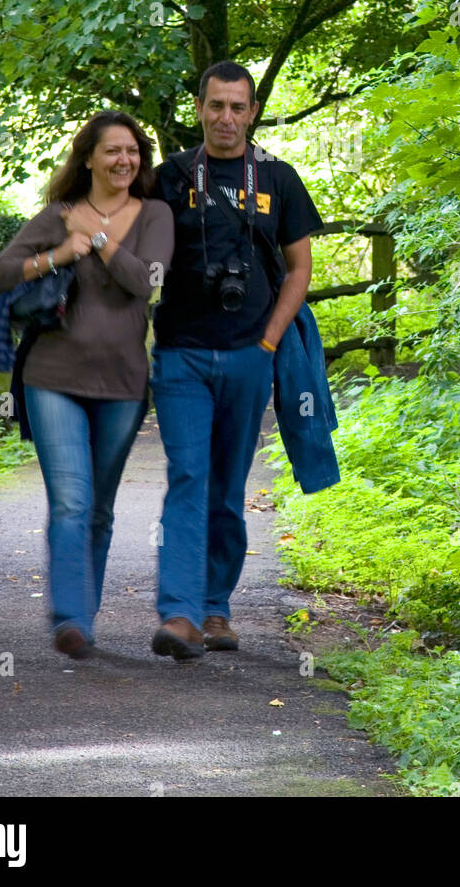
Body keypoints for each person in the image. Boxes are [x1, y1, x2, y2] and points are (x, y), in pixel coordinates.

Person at [149, 61, 323, 660]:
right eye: (215, 106)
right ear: (200, 108)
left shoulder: (279, 177)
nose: (226, 118)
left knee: (226, 486)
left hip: (251, 353)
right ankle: (178, 614)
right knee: (189, 477)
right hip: (181, 356)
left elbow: (300, 268)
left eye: (237, 107)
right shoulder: (169, 178)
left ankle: (216, 609)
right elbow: (129, 250)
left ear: (252, 112)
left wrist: (270, 342)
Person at [0, 111, 174, 659]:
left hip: (122, 385)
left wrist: (96, 241)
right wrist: (57, 254)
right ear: (88, 158)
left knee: (99, 507)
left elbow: (149, 281)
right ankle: (71, 620)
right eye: (112, 151)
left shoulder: (154, 214)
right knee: (71, 500)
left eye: (133, 151)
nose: (124, 160)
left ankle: (83, 614)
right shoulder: (58, 215)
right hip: (53, 377)